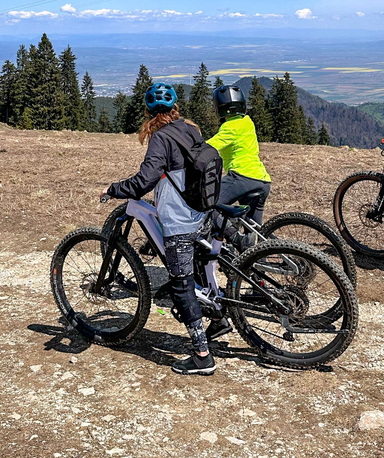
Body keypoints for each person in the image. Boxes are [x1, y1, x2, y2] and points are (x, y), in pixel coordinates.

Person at [102, 83, 215, 376]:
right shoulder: (189, 128)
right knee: (197, 269)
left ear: (149, 111)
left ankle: (203, 355)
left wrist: (115, 189)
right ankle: (219, 318)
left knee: (182, 285)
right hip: (202, 212)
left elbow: (144, 181)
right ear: (175, 108)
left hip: (180, 220)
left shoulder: (160, 138)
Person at [204, 85, 272, 340]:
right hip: (262, 182)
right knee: (255, 243)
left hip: (241, 178)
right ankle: (260, 286)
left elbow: (207, 150)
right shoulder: (247, 122)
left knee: (206, 204)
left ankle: (234, 239)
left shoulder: (228, 128)